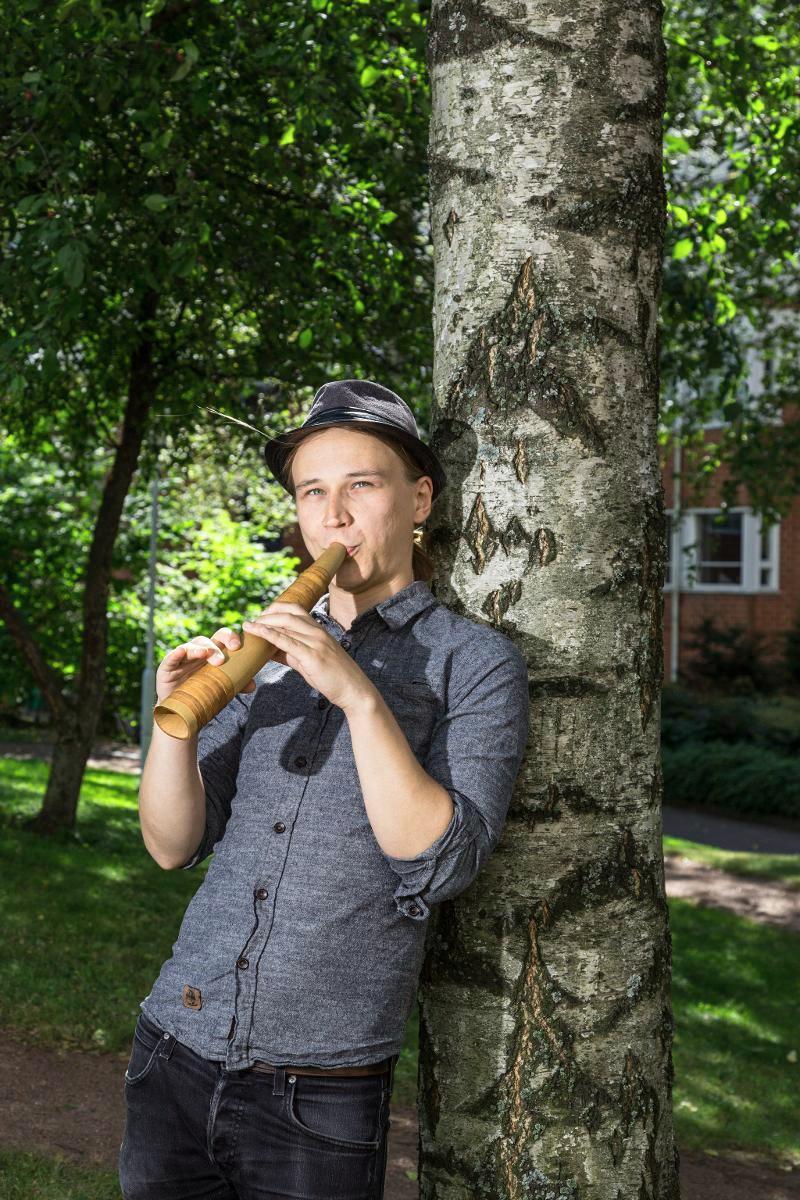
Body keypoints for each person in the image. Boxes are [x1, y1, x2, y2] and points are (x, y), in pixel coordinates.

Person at [119, 378, 530, 1199]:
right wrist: (178, 725)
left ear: (419, 500)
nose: (333, 516)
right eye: (313, 491)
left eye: (360, 486)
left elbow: (441, 862)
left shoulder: (474, 662)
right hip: (173, 1046)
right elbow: (171, 846)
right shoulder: (268, 651)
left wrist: (356, 692)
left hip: (320, 1088)